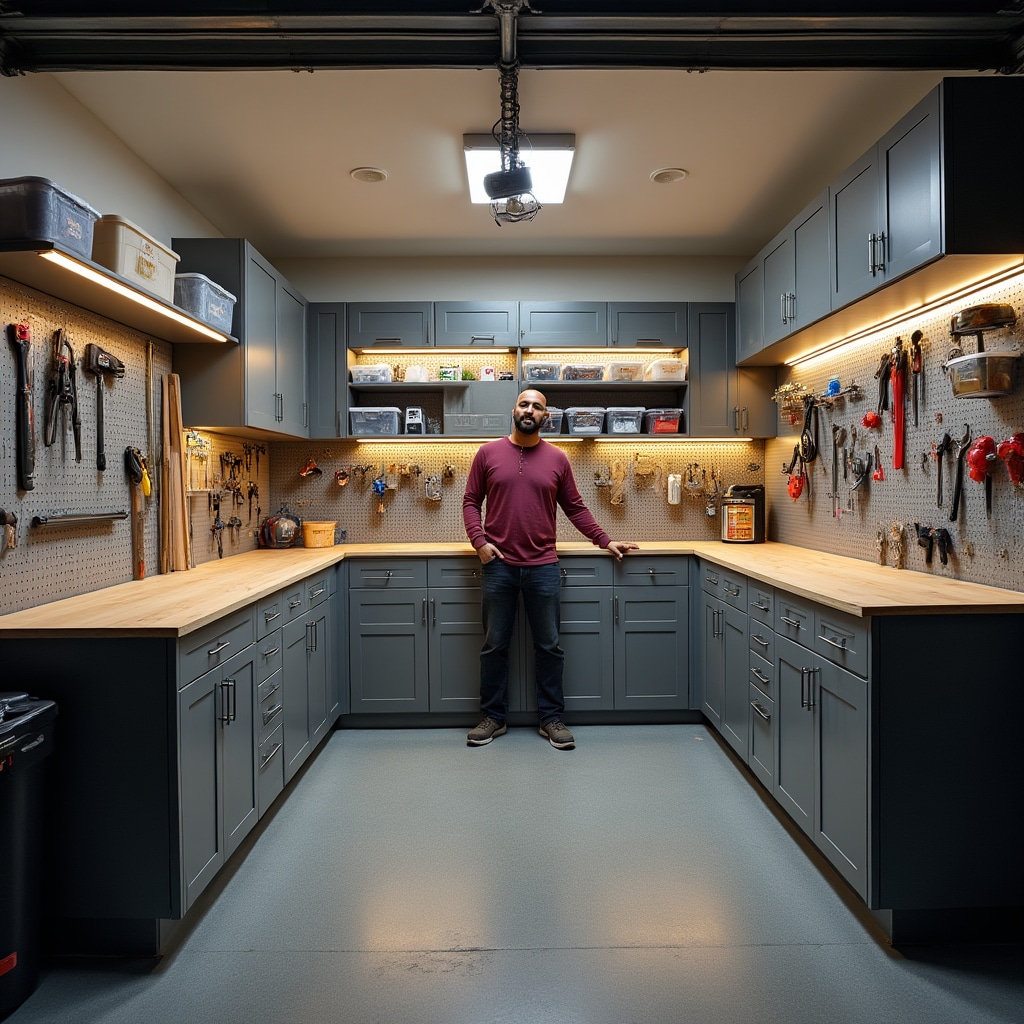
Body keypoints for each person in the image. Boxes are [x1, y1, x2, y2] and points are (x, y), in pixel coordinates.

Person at [462, 388, 639, 749]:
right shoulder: (487, 453)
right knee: (494, 645)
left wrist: (605, 541)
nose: (530, 410)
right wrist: (479, 542)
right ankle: (494, 717)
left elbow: (575, 507)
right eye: (524, 404)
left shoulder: (558, 459)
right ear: (514, 410)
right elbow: (470, 502)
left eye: (537, 406)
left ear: (546, 416)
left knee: (550, 646)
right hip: (499, 567)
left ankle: (550, 718)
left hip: (543, 565)